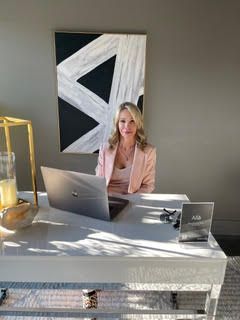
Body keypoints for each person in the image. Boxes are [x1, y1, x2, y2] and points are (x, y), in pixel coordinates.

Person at [82, 101, 157, 310]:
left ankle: (125, 276)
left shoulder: (148, 151)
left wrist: (129, 202)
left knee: (127, 245)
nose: (127, 126)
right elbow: (98, 181)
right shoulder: (106, 149)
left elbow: (148, 186)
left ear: (138, 124)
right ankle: (89, 290)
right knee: (92, 245)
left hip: (133, 203)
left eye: (132, 121)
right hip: (105, 202)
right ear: (117, 123)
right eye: (123, 121)